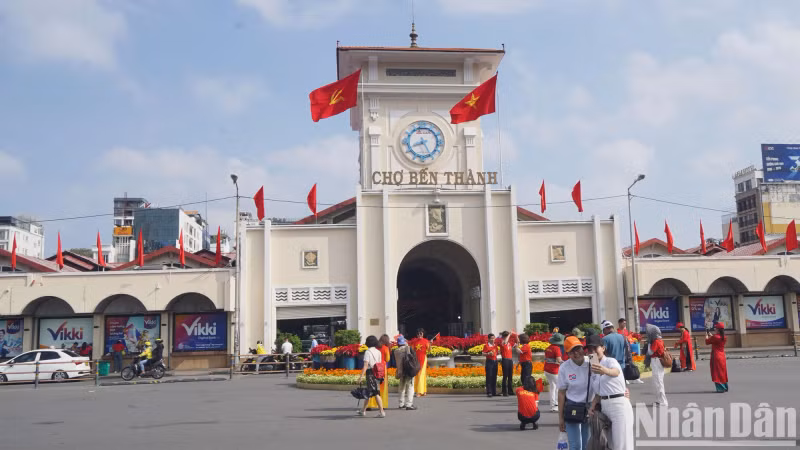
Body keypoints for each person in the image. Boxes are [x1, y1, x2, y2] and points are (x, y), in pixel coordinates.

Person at [587, 334, 634, 450]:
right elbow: (599, 391)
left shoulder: (610, 361)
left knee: (622, 444)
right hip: (604, 406)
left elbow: (616, 372)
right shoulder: (593, 366)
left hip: (618, 404)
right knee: (611, 444)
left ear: (603, 348)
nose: (593, 351)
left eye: (595, 348)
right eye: (590, 349)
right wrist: (593, 404)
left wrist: (605, 370)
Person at [558, 336, 593, 450]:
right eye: (572, 351)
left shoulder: (592, 361)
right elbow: (561, 393)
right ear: (567, 354)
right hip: (572, 406)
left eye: (578, 349)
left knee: (587, 444)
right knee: (575, 445)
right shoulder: (564, 367)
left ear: (583, 349)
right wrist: (561, 418)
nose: (576, 353)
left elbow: (604, 380)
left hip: (590, 407)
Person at [357, 335, 386, 418]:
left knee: (375, 392)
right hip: (378, 373)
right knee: (370, 392)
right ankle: (363, 410)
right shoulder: (378, 351)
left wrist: (361, 376)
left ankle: (381, 411)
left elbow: (366, 365)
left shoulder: (367, 352)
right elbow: (380, 363)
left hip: (370, 373)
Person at [367, 334, 391, 410]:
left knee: (373, 386)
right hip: (382, 368)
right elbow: (387, 359)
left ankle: (370, 404)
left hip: (374, 367)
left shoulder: (375, 348)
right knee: (383, 387)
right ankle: (382, 404)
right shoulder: (385, 348)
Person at [646, 324, 668, 406]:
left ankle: (663, 401)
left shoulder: (655, 341)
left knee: (658, 381)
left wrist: (648, 344)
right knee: (658, 381)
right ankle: (659, 400)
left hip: (656, 361)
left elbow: (650, 352)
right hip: (658, 361)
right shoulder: (660, 340)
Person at [394, 335, 416, 410]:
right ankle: (409, 404)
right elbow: (413, 358)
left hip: (400, 372)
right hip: (408, 371)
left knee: (401, 388)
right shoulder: (408, 348)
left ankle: (401, 404)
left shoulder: (396, 351)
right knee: (410, 387)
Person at [544, 333, 565, 412]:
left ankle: (552, 405)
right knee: (558, 388)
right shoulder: (557, 348)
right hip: (554, 371)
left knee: (552, 387)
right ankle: (556, 405)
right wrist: (566, 363)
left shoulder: (548, 348)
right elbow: (559, 360)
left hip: (547, 370)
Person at [705, 323, 728, 393]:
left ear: (718, 329)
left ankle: (720, 388)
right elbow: (715, 339)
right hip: (722, 356)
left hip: (716, 356)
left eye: (715, 328)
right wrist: (711, 335)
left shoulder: (715, 337)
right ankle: (725, 387)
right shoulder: (724, 337)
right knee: (722, 372)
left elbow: (707, 342)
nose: (714, 329)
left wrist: (706, 335)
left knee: (716, 372)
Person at [410, 329, 430, 397]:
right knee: (417, 375)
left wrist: (430, 344)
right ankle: (421, 390)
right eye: (418, 334)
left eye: (420, 333)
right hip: (416, 360)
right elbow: (412, 351)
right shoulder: (414, 342)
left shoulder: (426, 341)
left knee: (422, 375)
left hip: (423, 359)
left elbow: (429, 350)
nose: (419, 335)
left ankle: (420, 391)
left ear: (423, 334)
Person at [483, 333, 499, 397]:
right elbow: (483, 353)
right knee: (489, 376)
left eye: (493, 338)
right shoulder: (486, 346)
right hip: (489, 361)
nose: (493, 340)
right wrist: (488, 353)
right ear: (489, 339)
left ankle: (494, 392)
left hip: (495, 361)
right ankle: (489, 391)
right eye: (491, 338)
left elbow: (497, 353)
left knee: (494, 377)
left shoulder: (495, 345)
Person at [499, 331, 514, 396]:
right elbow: (505, 341)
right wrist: (509, 334)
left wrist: (515, 335)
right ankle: (504, 391)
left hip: (510, 360)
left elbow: (517, 343)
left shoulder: (509, 344)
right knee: (505, 376)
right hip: (505, 360)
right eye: (507, 336)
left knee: (510, 376)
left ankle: (510, 390)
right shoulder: (502, 342)